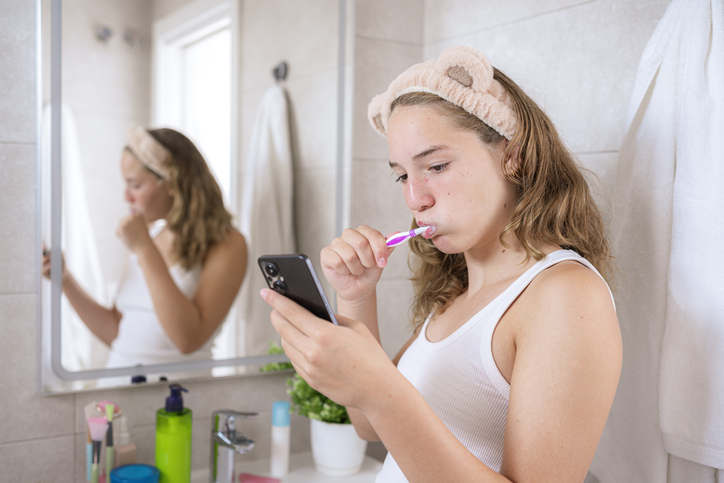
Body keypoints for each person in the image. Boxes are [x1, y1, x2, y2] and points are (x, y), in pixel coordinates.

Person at [261, 45, 622, 483]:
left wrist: (381, 387)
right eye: (402, 175)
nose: (416, 198)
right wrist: (356, 296)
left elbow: (385, 403)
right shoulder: (457, 291)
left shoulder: (564, 295)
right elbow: (370, 425)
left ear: (515, 157)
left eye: (436, 165)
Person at [43, 125, 247, 370]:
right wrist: (64, 279)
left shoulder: (228, 243)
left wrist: (144, 249)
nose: (126, 197)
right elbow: (118, 332)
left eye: (135, 185)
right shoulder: (151, 237)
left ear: (172, 183)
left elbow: (188, 339)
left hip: (179, 402)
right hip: (117, 395)